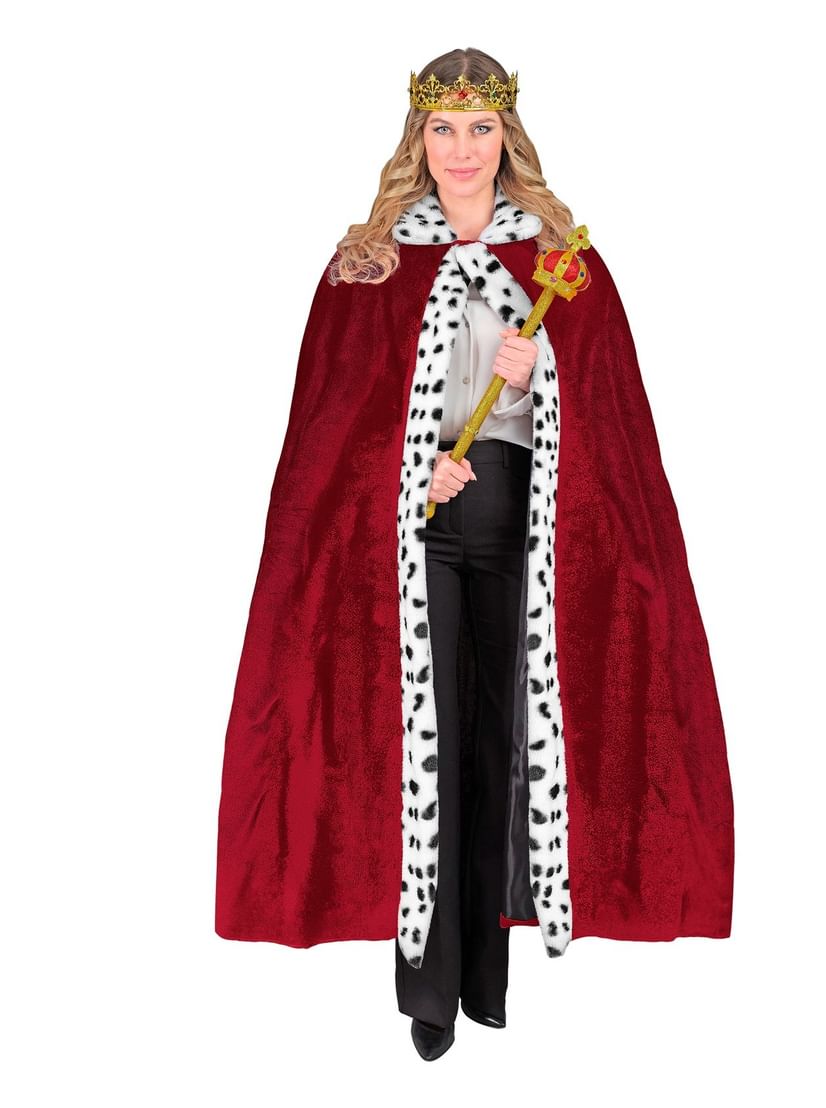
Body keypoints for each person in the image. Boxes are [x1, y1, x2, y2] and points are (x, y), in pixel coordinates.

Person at [215, 48, 735, 1064]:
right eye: (444, 129)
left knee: (503, 742)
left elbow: (614, 426)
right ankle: (429, 985)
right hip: (407, 539)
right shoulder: (366, 262)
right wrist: (413, 471)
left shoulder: (559, 263)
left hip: (520, 527)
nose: (462, 150)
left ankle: (487, 974)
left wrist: (541, 377)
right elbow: (326, 434)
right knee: (426, 745)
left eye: (480, 130)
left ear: (507, 138)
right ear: (419, 138)